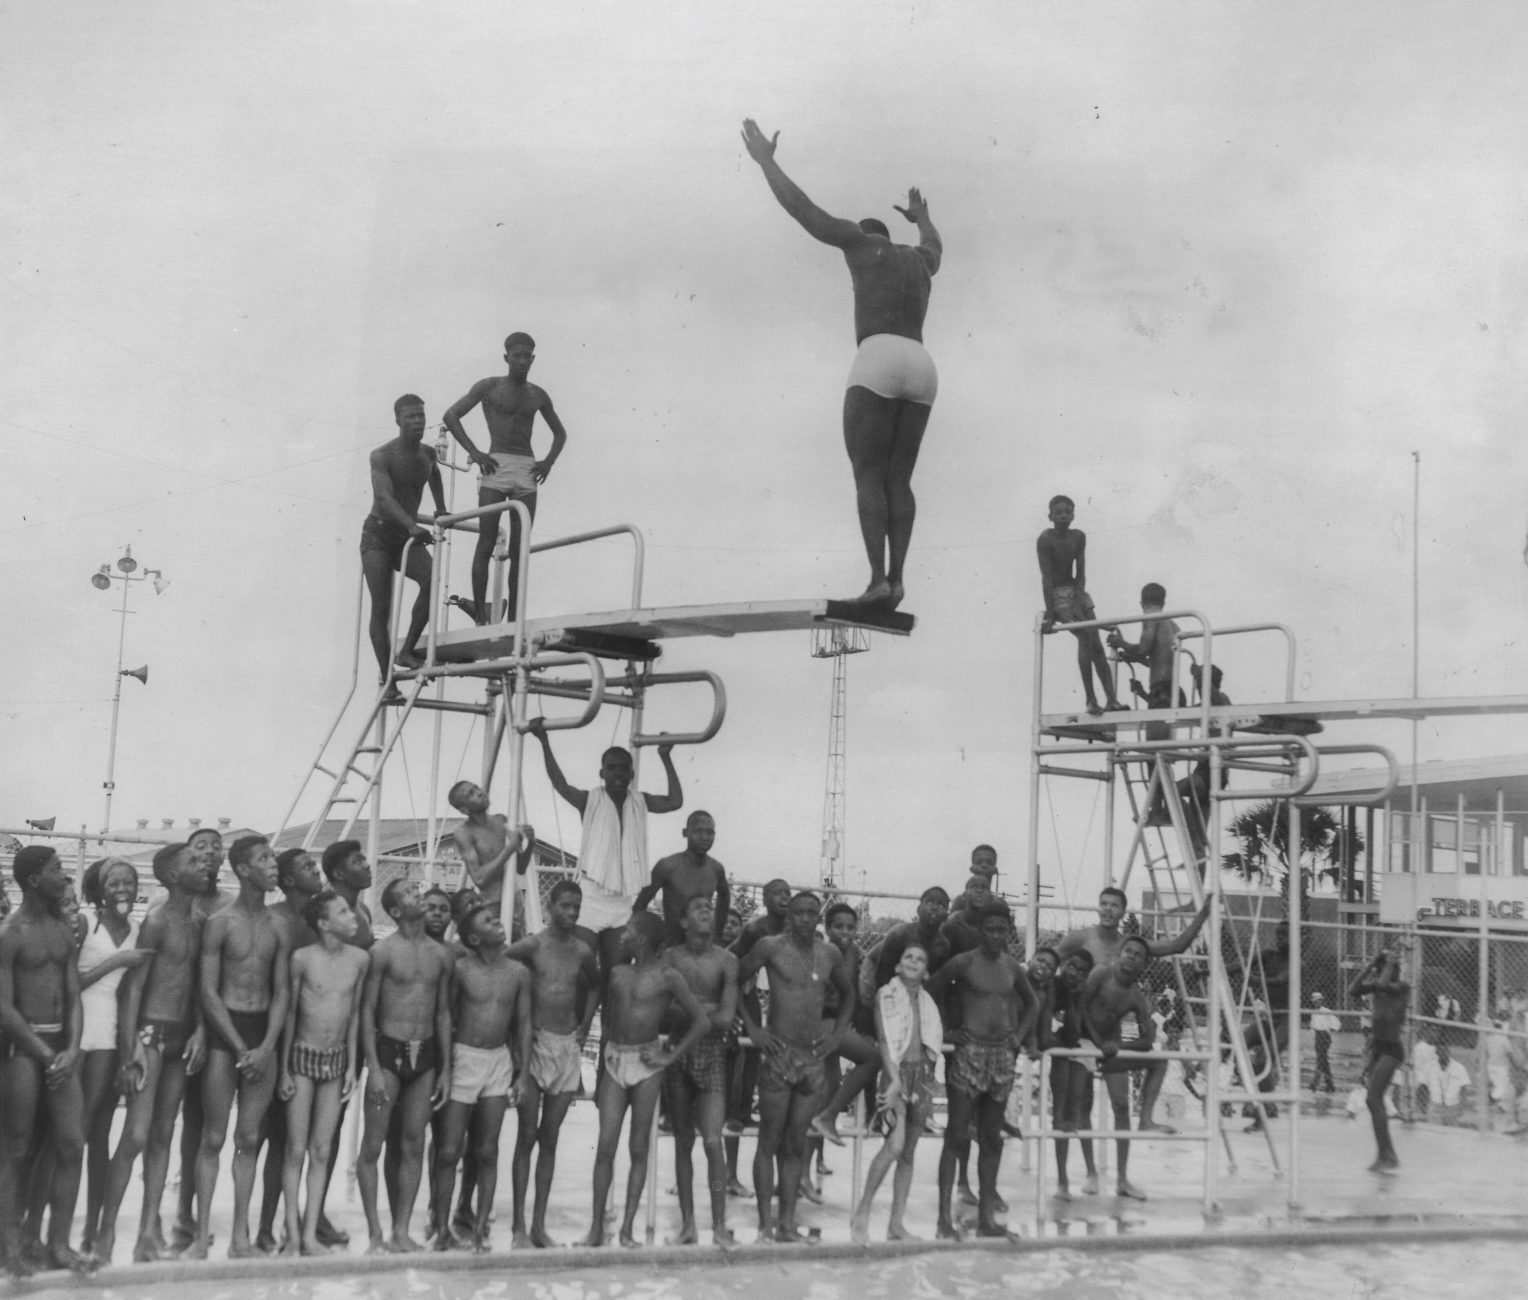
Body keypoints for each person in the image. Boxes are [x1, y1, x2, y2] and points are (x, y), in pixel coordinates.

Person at [741, 118, 941, 610]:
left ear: (864, 234)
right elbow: (936, 245)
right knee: (900, 478)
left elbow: (805, 211)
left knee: (867, 475)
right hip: (921, 363)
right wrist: (922, 219)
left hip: (877, 358)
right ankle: (895, 580)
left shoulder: (859, 243)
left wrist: (767, 163)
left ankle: (876, 577)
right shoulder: (918, 260)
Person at [95, 844, 207, 1265]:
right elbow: (134, 989)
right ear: (173, 876)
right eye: (193, 862)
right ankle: (105, 1235)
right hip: (151, 1035)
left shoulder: (198, 921)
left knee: (163, 1136)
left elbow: (196, 984)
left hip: (180, 1039)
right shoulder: (157, 922)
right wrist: (131, 1050)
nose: (203, 866)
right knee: (136, 1136)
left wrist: (198, 1029)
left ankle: (146, 1235)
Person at [579, 911, 709, 1248]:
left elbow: (701, 1021)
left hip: (647, 1062)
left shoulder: (669, 977)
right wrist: (600, 1067)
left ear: (643, 940)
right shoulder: (618, 973)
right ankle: (596, 1228)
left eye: (629, 931)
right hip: (615, 1058)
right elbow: (608, 1022)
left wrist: (670, 1055)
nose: (622, 936)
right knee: (605, 1145)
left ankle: (626, 1230)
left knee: (639, 1148)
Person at [189, 836, 291, 1259]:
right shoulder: (221, 922)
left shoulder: (278, 926)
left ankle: (240, 1237)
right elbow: (209, 991)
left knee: (248, 1137)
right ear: (244, 870)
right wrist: (236, 1045)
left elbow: (282, 991)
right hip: (224, 1032)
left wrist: (266, 1046)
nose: (273, 865)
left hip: (261, 1031)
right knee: (213, 1136)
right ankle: (199, 1238)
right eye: (264, 859)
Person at [737, 891, 853, 1243]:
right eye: (799, 912)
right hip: (779, 1055)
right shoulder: (771, 947)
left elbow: (849, 996)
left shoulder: (829, 953)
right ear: (790, 916)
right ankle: (764, 1224)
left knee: (795, 1143)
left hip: (812, 1059)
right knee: (768, 1141)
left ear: (818, 918)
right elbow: (737, 980)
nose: (805, 918)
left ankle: (787, 1223)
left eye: (811, 913)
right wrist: (753, 1029)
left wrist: (836, 1037)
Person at [0, 847, 86, 1276]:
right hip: (24, 1051)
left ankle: (59, 1243)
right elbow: (4, 1007)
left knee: (72, 1145)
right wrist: (47, 1053)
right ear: (34, 880)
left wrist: (72, 1049)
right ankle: (9, 1248)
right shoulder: (11, 933)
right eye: (56, 870)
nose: (64, 876)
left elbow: (73, 995)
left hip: (59, 1048)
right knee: (15, 1150)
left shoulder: (62, 930)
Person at [927, 900, 1037, 1239]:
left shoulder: (1012, 968)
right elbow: (930, 991)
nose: (994, 935)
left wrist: (1017, 1037)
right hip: (968, 1052)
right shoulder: (964, 962)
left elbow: (1031, 1003)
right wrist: (946, 1031)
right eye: (989, 929)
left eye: (1001, 930)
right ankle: (944, 1219)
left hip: (1001, 1055)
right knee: (956, 1136)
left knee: (992, 1138)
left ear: (1009, 933)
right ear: (980, 931)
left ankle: (987, 1218)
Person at [442, 333, 568, 624]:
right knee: (486, 541)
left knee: (518, 547)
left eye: (527, 356)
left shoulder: (538, 394)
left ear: (533, 359)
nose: (522, 361)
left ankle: (514, 622)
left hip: (526, 467)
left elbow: (560, 433)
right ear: (506, 357)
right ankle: (481, 618)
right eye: (517, 355)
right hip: (495, 464)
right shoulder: (490, 386)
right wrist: (475, 451)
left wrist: (548, 462)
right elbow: (451, 415)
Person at [357, 879, 454, 1253]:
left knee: (415, 1144)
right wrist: (374, 1067)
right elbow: (367, 1010)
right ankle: (374, 1233)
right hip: (389, 1052)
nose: (421, 899)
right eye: (411, 895)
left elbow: (443, 1013)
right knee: (373, 1145)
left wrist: (445, 1068)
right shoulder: (382, 952)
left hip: (426, 1055)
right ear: (396, 911)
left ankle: (400, 1230)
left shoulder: (441, 956)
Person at [503, 879, 599, 1248]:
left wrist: (586, 1022)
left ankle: (539, 1225)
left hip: (567, 1047)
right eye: (565, 906)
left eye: (576, 907)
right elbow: (500, 969)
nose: (571, 913)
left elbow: (595, 985)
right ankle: (517, 1227)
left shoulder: (582, 950)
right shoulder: (532, 945)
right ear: (550, 906)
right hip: (536, 1044)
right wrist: (515, 1030)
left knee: (550, 1138)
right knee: (526, 1136)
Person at [430, 904, 531, 1252]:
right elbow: (445, 1015)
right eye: (489, 921)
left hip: (498, 1063)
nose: (499, 922)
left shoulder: (518, 972)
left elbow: (524, 1024)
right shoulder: (461, 970)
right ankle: (441, 1228)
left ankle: (478, 1230)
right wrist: (446, 1065)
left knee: (487, 1149)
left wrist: (523, 1075)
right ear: (474, 937)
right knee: (448, 1149)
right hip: (465, 1058)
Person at [811, 888, 948, 1146]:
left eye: (940, 905)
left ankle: (835, 1128)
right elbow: (880, 980)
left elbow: (934, 984)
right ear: (918, 907)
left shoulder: (941, 944)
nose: (934, 909)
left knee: (840, 1078)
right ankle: (857, 1114)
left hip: (852, 1013)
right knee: (874, 1051)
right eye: (929, 902)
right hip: (867, 992)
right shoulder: (898, 934)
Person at [277, 890, 368, 1256]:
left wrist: (351, 1064)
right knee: (296, 1149)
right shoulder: (302, 959)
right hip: (302, 1056)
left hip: (335, 1061)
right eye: (344, 912)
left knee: (322, 1149)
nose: (353, 917)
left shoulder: (360, 960)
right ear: (324, 923)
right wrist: (283, 1068)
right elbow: (290, 1016)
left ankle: (311, 1233)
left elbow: (356, 1014)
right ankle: (293, 1235)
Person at [529, 724, 683, 932]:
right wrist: (544, 742)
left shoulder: (640, 801)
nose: (618, 773)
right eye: (611, 768)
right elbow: (561, 785)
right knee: (584, 956)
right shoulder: (589, 799)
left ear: (632, 773)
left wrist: (665, 756)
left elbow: (675, 801)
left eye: (623, 767)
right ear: (602, 773)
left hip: (622, 897)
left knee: (616, 960)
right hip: (591, 893)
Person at [74, 859, 149, 1259]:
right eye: (114, 882)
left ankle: (91, 1226)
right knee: (72, 1133)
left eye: (130, 881)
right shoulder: (87, 923)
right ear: (100, 889)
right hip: (77, 1029)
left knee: (99, 1136)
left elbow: (128, 997)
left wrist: (126, 1051)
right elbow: (69, 982)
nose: (123, 888)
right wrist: (116, 962)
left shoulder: (137, 930)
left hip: (107, 1037)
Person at [254, 847, 326, 1252]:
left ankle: (295, 1221)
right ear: (287, 880)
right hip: (271, 1034)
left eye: (316, 866)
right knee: (267, 1135)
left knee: (297, 1140)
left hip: (309, 1041)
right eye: (307, 868)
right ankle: (265, 1223)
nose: (316, 873)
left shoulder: (319, 922)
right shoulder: (276, 919)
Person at [849, 941, 942, 1245]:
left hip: (922, 1075)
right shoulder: (886, 995)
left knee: (909, 1152)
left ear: (926, 971)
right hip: (896, 1073)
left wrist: (925, 1078)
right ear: (898, 966)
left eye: (920, 959)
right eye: (909, 957)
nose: (914, 962)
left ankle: (896, 1223)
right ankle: (863, 1209)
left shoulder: (927, 1002)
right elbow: (885, 1041)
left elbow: (930, 1043)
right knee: (894, 1145)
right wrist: (893, 1081)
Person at [661, 895, 740, 1247]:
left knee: (712, 1141)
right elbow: (666, 1010)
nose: (707, 911)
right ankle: (688, 1223)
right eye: (697, 908)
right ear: (683, 921)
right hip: (679, 1052)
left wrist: (691, 1009)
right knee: (683, 1143)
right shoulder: (671, 957)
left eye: (710, 907)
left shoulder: (727, 960)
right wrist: (705, 1011)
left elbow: (727, 1017)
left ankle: (719, 1223)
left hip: (712, 1055)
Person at [168, 825, 229, 1255]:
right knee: (167, 1123)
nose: (209, 853)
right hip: (176, 1020)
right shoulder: (165, 904)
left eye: (215, 846)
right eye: (200, 848)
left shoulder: (228, 906)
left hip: (215, 1025)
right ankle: (173, 1213)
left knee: (201, 1122)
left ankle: (191, 1211)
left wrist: (206, 1028)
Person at [361, 394, 448, 691]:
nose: (417, 422)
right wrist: (411, 524)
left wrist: (441, 508)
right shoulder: (382, 456)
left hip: (407, 536)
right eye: (410, 417)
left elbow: (433, 475)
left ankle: (407, 649)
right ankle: (388, 680)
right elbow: (384, 498)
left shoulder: (427, 454)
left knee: (431, 578)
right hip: (380, 534)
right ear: (398, 420)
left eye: (421, 416)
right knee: (381, 606)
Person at [1083, 935, 1160, 1200]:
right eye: (1128, 951)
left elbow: (1148, 1039)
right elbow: (1079, 1007)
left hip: (1109, 1049)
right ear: (1120, 953)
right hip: (1083, 1042)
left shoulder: (1135, 995)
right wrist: (1097, 1041)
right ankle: (1091, 1172)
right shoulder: (1101, 974)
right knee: (1083, 1108)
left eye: (1138, 955)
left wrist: (1118, 1047)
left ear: (1144, 964)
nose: (1131, 957)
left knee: (1122, 1107)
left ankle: (1123, 1178)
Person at [1038, 494, 1123, 716]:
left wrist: (1078, 601)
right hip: (1058, 595)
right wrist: (1050, 612)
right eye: (1058, 512)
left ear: (1074, 514)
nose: (1063, 515)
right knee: (1085, 638)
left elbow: (1081, 571)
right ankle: (1090, 699)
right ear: (1050, 516)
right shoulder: (1045, 540)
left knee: (1096, 643)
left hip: (1077, 591)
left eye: (1067, 511)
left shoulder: (1079, 537)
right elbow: (1046, 578)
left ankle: (1111, 699)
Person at [1038, 948, 1099, 1199]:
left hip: (1073, 1045)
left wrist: (1074, 999)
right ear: (1063, 966)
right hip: (1055, 1047)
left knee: (1081, 1112)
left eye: (1081, 971)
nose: (1074, 973)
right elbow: (1047, 1031)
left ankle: (1091, 1172)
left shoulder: (1079, 991)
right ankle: (1062, 1181)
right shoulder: (1052, 985)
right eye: (1071, 966)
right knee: (1060, 1114)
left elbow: (1075, 1034)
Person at [633, 811, 732, 947]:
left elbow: (725, 896)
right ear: (685, 833)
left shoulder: (716, 869)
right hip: (672, 945)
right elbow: (640, 905)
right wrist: (653, 938)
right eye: (698, 831)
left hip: (703, 945)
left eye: (709, 832)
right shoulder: (667, 866)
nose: (704, 837)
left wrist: (717, 932)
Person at [1350, 949, 1409, 1171]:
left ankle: (1387, 1155)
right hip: (1378, 1049)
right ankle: (1386, 1153)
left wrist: (1387, 965)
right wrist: (1371, 963)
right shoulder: (1377, 985)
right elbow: (1353, 989)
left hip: (1392, 1050)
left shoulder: (1401, 988)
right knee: (1373, 1101)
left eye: (1385, 968)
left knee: (1374, 1099)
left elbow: (1384, 985)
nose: (1380, 973)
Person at [446, 780, 534, 916]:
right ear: (464, 810)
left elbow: (521, 868)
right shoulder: (464, 832)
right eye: (471, 794)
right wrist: (509, 849)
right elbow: (479, 879)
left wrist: (531, 843)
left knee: (520, 937)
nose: (480, 793)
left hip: (515, 901)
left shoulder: (501, 820)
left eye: (477, 788)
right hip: (491, 905)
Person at [1107, 583, 1178, 742]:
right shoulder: (1172, 625)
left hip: (1160, 689)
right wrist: (1135, 658)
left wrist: (1121, 643)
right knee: (1164, 750)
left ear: (1142, 603)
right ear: (1163, 603)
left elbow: (1144, 649)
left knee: (1152, 749)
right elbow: (1160, 657)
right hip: (1173, 689)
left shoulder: (1150, 617)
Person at [321, 840, 376, 951]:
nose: (367, 865)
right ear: (338, 874)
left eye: (364, 859)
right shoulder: (322, 911)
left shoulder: (363, 909)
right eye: (357, 862)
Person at [1309, 992, 1339, 1095]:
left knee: (1321, 1060)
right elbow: (1313, 1025)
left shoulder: (1327, 1011)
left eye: (1318, 1001)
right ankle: (1330, 1085)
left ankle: (1314, 1083)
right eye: (1314, 1001)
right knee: (1323, 1061)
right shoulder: (1313, 1012)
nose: (1316, 1003)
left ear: (1321, 1001)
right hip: (1317, 1036)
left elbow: (1336, 1023)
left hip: (1324, 1036)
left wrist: (1329, 1031)